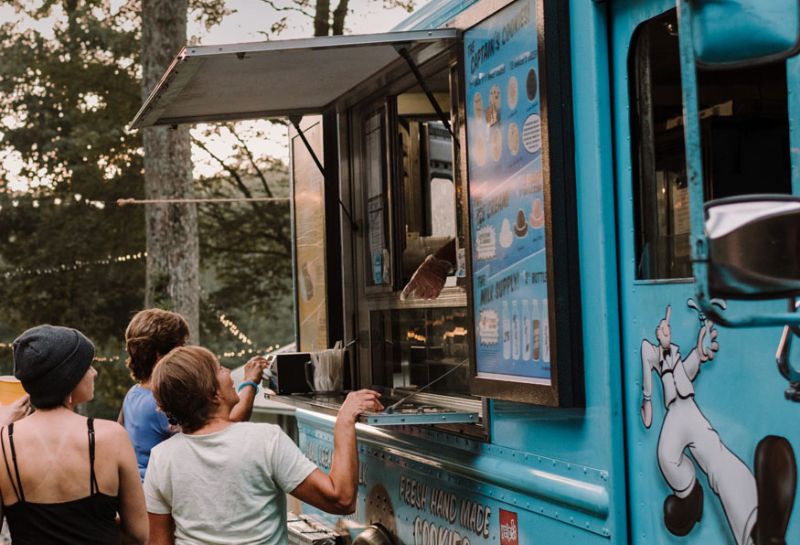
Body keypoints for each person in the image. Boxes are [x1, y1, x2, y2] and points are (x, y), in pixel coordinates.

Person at [145, 345, 383, 545]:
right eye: (219, 368)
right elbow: (340, 499)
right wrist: (344, 420)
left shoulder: (161, 457)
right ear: (213, 394)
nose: (227, 371)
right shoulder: (264, 440)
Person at [1, 325, 147, 545]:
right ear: (67, 378)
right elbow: (138, 535)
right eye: (87, 366)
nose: (94, 372)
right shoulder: (111, 437)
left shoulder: (3, 443)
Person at [121, 308, 266, 480]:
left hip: (142, 489)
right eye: (181, 346)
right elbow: (224, 428)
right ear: (161, 357)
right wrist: (249, 383)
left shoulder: (133, 394)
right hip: (165, 493)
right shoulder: (161, 401)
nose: (186, 352)